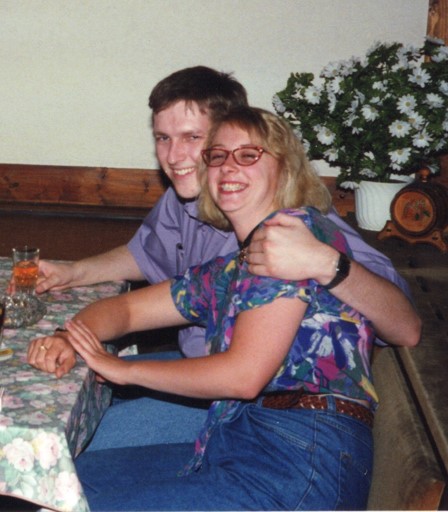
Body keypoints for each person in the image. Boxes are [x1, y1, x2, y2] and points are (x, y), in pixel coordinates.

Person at [34, 106, 421, 511]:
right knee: (55, 484)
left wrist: (123, 369)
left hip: (300, 457)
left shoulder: (290, 235)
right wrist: (70, 338)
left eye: (248, 155)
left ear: (285, 170)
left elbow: (243, 377)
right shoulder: (233, 267)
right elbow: (128, 310)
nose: (228, 167)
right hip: (240, 439)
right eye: (217, 156)